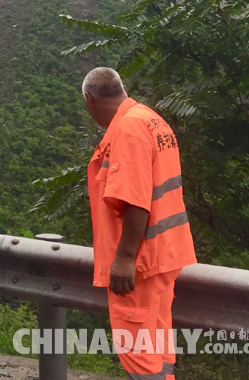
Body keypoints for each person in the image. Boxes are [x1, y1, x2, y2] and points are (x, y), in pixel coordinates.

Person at [82, 67, 196, 380]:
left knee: (138, 355)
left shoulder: (128, 130)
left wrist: (124, 258)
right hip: (164, 253)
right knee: (157, 346)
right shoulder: (149, 118)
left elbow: (135, 199)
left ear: (90, 100)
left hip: (141, 264)